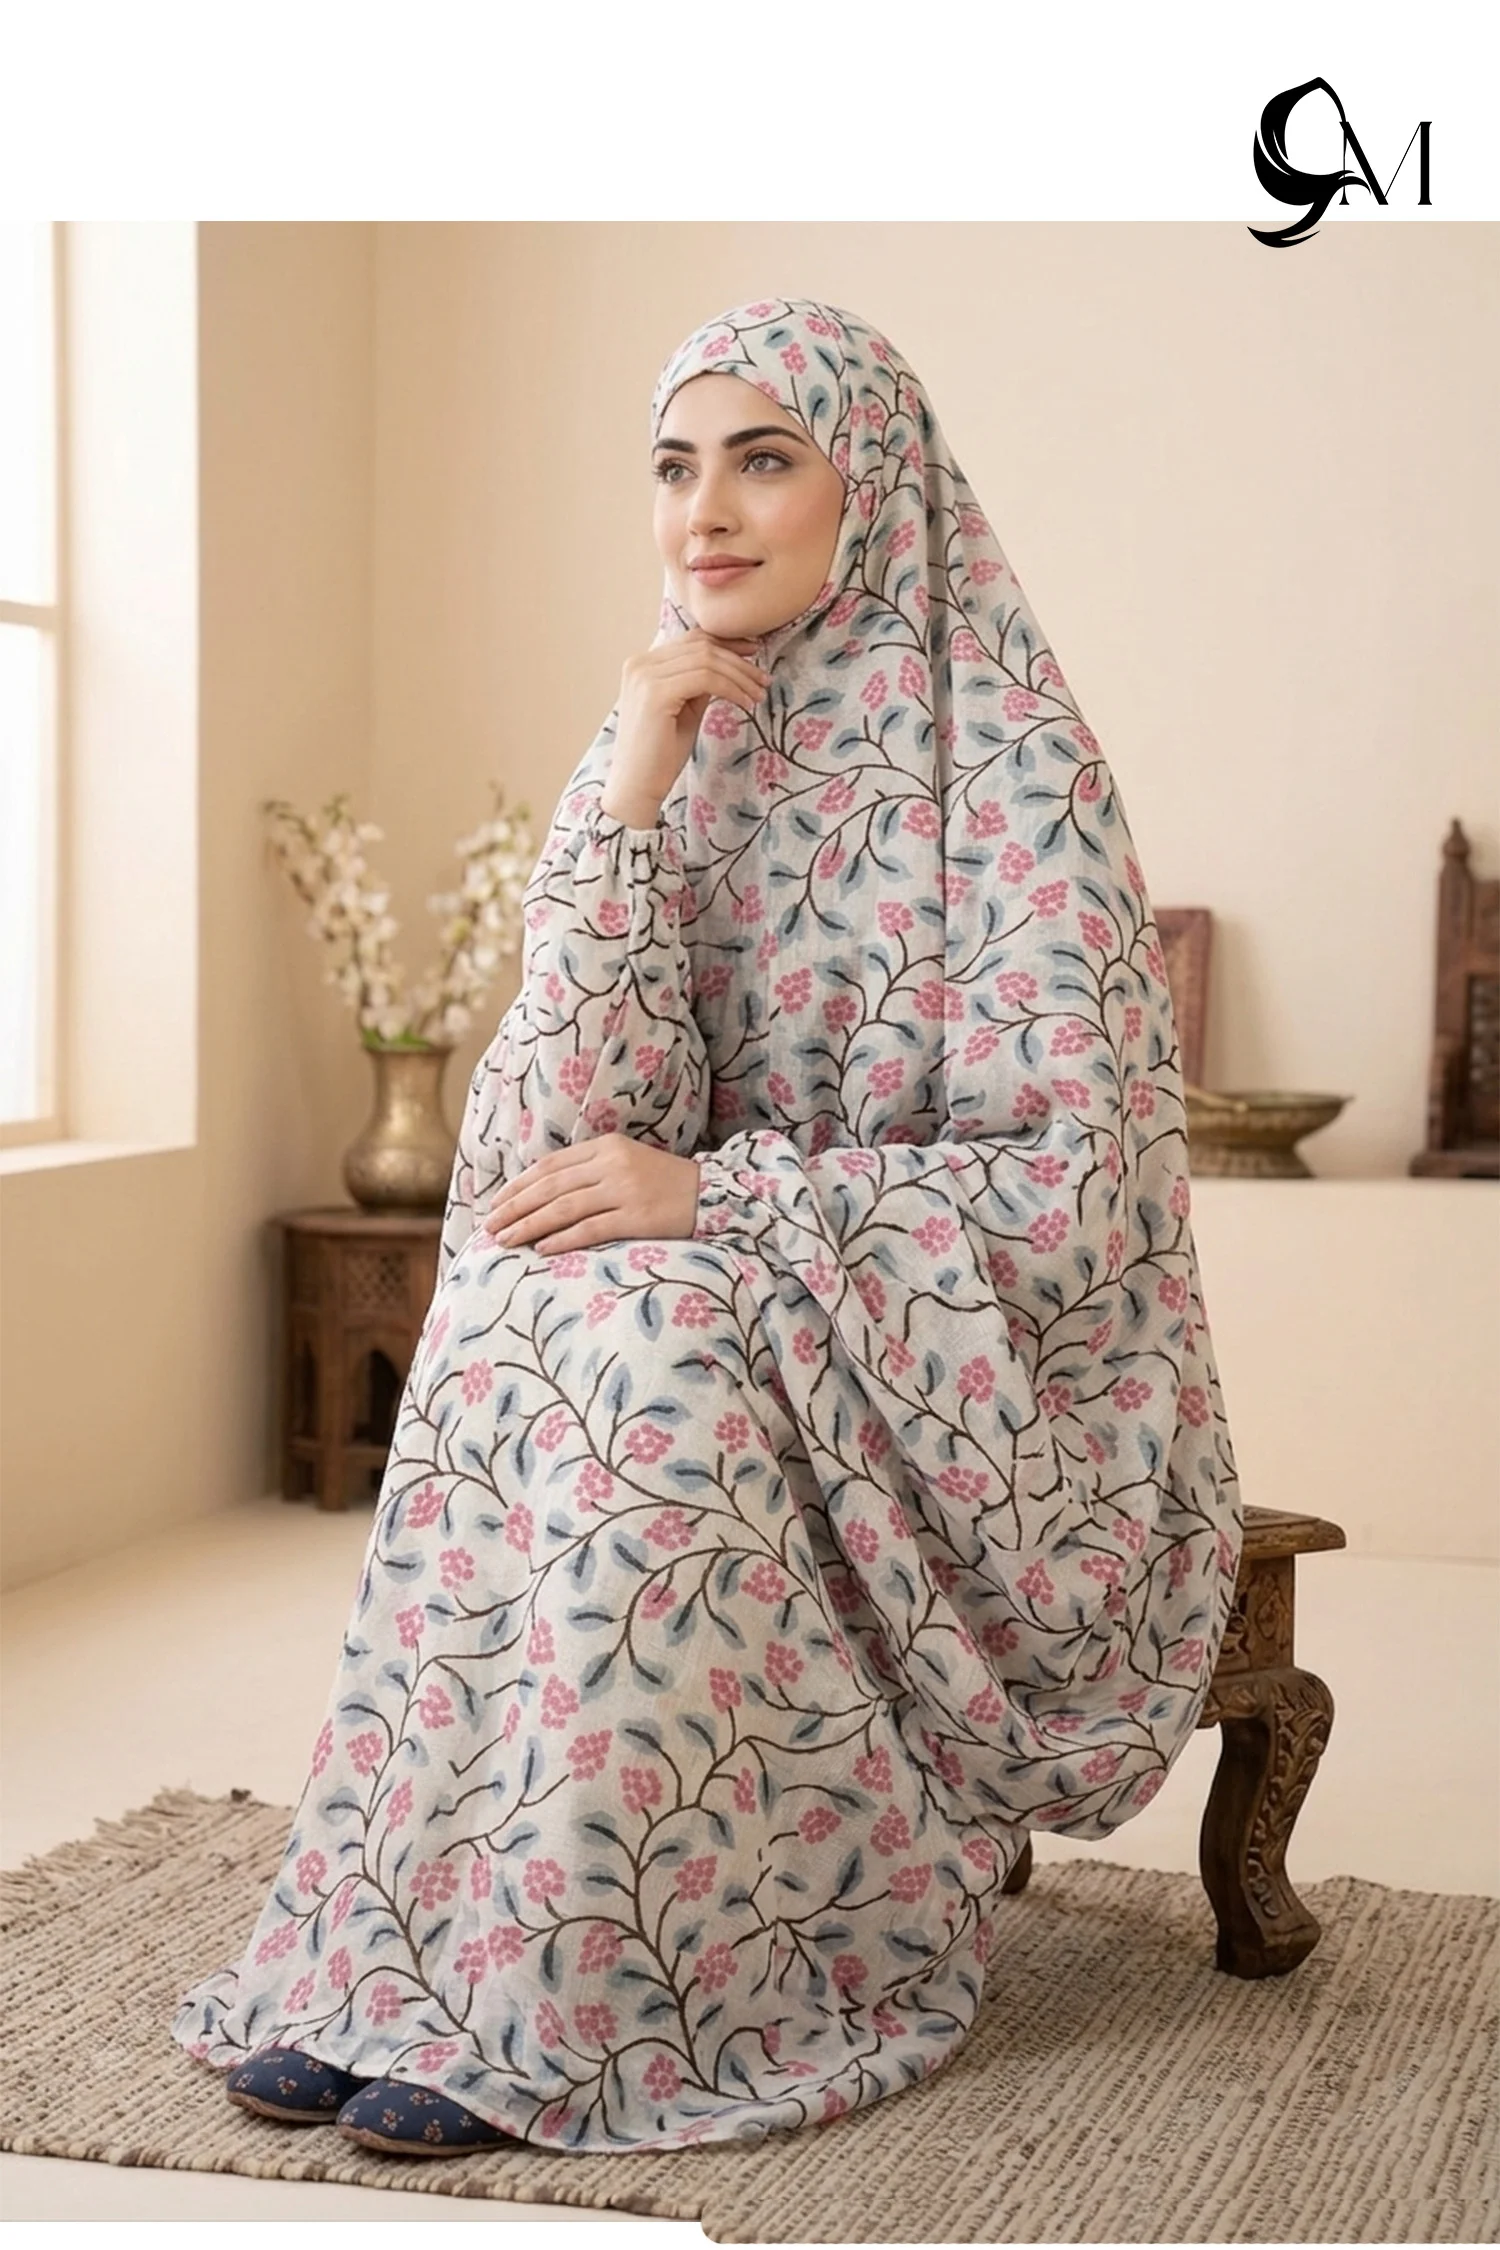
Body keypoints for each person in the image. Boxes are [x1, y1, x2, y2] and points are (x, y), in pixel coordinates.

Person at [171, 295, 1243, 2159]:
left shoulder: (1020, 775)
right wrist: (629, 795)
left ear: (873, 488)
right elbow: (548, 1139)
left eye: (763, 459)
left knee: (651, 1329)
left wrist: (722, 1197)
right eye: (675, 466)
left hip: (1006, 1387)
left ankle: (611, 1988)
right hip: (756, 1304)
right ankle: (400, 1957)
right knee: (518, 1293)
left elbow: (1078, 1197)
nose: (706, 510)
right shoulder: (669, 736)